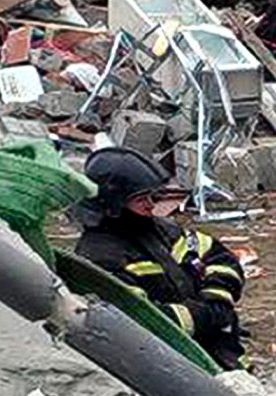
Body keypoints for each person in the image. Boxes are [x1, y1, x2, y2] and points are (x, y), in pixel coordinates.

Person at [72, 147, 245, 370]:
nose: (151, 205)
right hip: (173, 367)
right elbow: (142, 322)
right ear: (113, 205)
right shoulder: (100, 258)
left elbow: (220, 257)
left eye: (153, 196)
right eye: (141, 199)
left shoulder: (162, 229)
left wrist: (217, 296)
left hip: (219, 354)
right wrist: (206, 315)